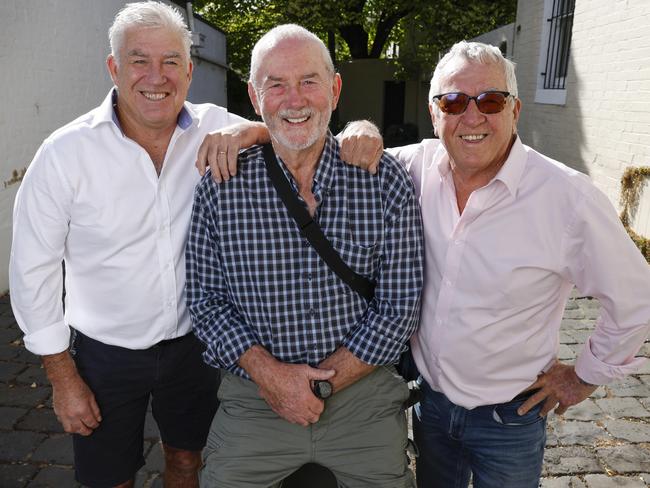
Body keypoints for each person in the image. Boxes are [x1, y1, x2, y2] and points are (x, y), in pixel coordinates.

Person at [338, 41, 650, 488]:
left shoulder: (568, 198)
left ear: (515, 110)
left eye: (490, 100)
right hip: (431, 407)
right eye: (453, 101)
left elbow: (636, 298)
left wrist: (582, 377)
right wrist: (252, 133)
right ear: (434, 112)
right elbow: (311, 151)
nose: (472, 116)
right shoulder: (411, 168)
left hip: (511, 420)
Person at [7, 2, 267, 486]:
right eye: (139, 60)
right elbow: (31, 271)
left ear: (189, 72)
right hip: (104, 354)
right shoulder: (65, 153)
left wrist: (253, 130)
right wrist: (63, 379)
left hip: (196, 345)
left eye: (171, 61)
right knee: (111, 478)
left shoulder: (216, 128)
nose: (157, 76)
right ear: (114, 68)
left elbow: (296, 137)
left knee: (189, 461)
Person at [185, 24, 423, 488]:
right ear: (255, 99)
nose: (294, 100)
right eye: (276, 85)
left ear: (334, 89)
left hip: (364, 399)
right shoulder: (221, 186)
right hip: (256, 399)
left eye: (309, 81)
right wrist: (272, 378)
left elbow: (400, 307)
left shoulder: (383, 178)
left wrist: (320, 384)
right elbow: (206, 303)